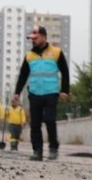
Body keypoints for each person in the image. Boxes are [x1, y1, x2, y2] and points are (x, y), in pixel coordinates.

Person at [14, 25, 70, 161]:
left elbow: (65, 71)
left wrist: (64, 90)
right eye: (32, 38)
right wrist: (17, 93)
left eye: (36, 38)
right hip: (34, 93)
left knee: (50, 120)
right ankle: (37, 151)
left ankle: (53, 148)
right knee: (35, 124)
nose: (33, 40)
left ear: (44, 37)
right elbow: (23, 75)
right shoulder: (29, 55)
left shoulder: (56, 52)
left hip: (51, 93)